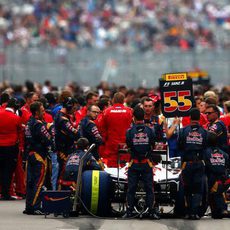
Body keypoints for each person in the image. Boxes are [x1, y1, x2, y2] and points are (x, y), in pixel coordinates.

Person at [125, 106, 159, 219]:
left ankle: (129, 211)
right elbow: (153, 145)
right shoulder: (150, 130)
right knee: (149, 188)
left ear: (133, 118)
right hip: (146, 163)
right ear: (144, 117)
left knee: (131, 188)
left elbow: (129, 145)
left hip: (134, 163)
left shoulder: (129, 131)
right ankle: (151, 211)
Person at [23, 102, 54, 215]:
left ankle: (29, 207)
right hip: (39, 156)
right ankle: (35, 207)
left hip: (30, 155)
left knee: (30, 183)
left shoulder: (29, 123)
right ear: (37, 112)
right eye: (42, 111)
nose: (44, 112)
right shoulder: (38, 124)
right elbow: (48, 139)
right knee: (39, 182)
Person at [178, 108, 208, 220]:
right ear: (199, 118)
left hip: (187, 163)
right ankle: (195, 213)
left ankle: (187, 212)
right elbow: (205, 147)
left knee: (187, 188)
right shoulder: (204, 132)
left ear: (190, 117)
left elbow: (179, 146)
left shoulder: (183, 131)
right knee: (197, 189)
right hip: (199, 163)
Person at [100, 92, 133, 167]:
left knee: (111, 167)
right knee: (125, 166)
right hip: (125, 144)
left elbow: (102, 129)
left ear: (113, 100)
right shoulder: (129, 111)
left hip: (111, 144)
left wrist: (104, 141)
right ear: (123, 100)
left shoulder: (106, 112)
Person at [0, 98, 23, 200]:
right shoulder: (16, 118)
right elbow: (20, 134)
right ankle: (6, 193)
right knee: (8, 171)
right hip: (10, 147)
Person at [203, 132, 229, 219]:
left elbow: (205, 166)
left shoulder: (205, 152)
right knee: (216, 192)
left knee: (213, 192)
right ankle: (217, 212)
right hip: (225, 179)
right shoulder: (225, 154)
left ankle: (222, 209)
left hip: (213, 180)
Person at [54, 97, 80, 180]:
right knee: (63, 173)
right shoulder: (63, 119)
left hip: (65, 148)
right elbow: (75, 133)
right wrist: (78, 131)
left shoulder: (63, 116)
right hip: (63, 150)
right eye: (74, 108)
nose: (75, 110)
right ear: (69, 106)